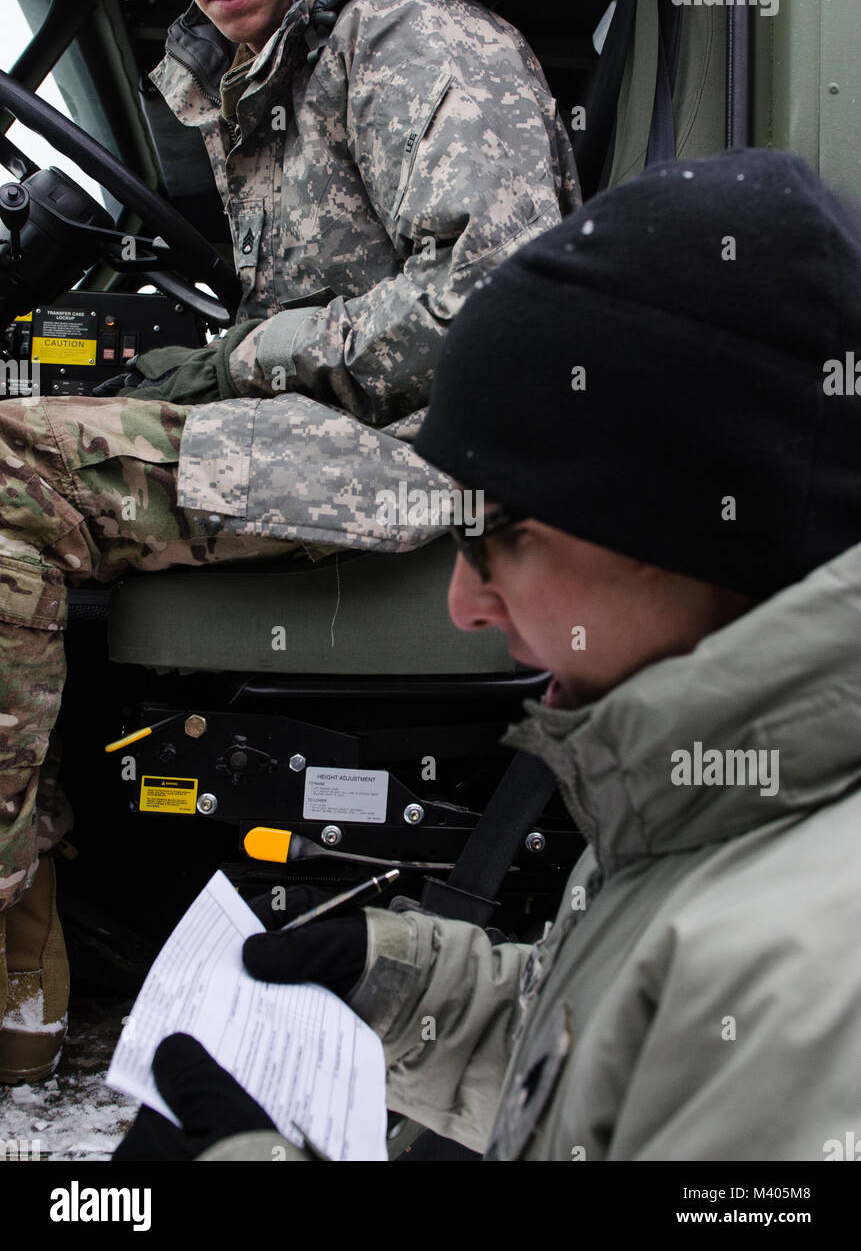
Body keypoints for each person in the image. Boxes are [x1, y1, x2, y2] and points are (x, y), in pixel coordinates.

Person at [117, 145, 861, 1161]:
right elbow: (636, 1056)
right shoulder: (716, 808)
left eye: (498, 530)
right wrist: (416, 990)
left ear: (698, 524)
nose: (466, 601)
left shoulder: (815, 987)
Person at [0, 0, 579, 1083]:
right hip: (350, 437)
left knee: (11, 470)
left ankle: (13, 968)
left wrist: (254, 356)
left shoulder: (411, 39)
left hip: (428, 454)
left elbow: (497, 304)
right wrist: (202, 368)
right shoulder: (273, 74)